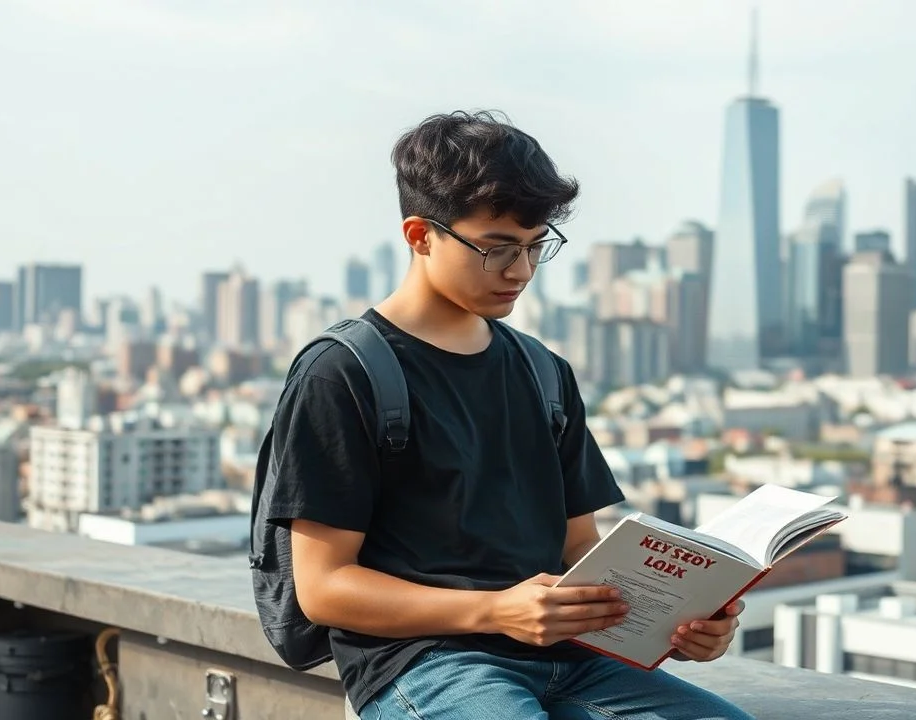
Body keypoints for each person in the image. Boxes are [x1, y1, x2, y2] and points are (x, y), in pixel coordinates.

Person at [262, 110, 754, 720]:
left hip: (573, 658)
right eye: (497, 249)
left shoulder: (545, 373)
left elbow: (579, 549)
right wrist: (496, 610)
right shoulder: (343, 373)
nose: (520, 271)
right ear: (420, 235)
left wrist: (677, 623)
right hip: (428, 661)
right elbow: (323, 588)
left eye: (535, 246)